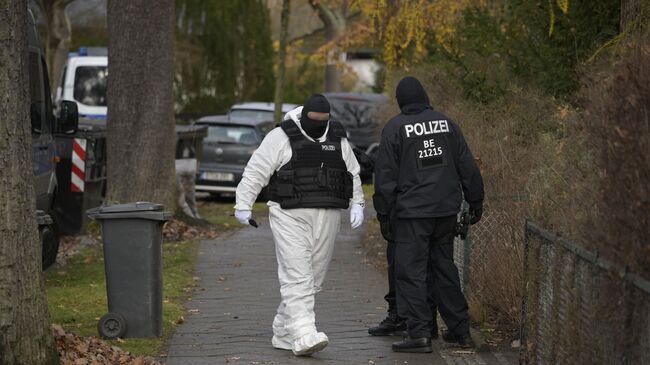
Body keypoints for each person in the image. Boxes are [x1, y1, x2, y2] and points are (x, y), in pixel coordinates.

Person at [234, 94, 365, 356]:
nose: (319, 124)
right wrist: (243, 204)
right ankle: (305, 333)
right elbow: (256, 170)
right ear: (304, 116)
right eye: (314, 120)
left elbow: (351, 171)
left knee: (314, 277)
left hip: (327, 214)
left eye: (323, 120)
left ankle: (283, 331)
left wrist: (358, 203)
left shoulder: (337, 137)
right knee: (298, 275)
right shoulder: (280, 137)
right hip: (288, 214)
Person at [373, 76, 484, 353]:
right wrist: (475, 200)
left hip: (412, 215)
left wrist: (384, 215)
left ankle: (419, 333)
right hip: (445, 210)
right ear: (424, 97)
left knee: (411, 272)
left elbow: (385, 177)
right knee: (444, 269)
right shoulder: (446, 124)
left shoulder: (395, 128)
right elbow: (466, 166)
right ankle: (460, 331)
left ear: (401, 101)